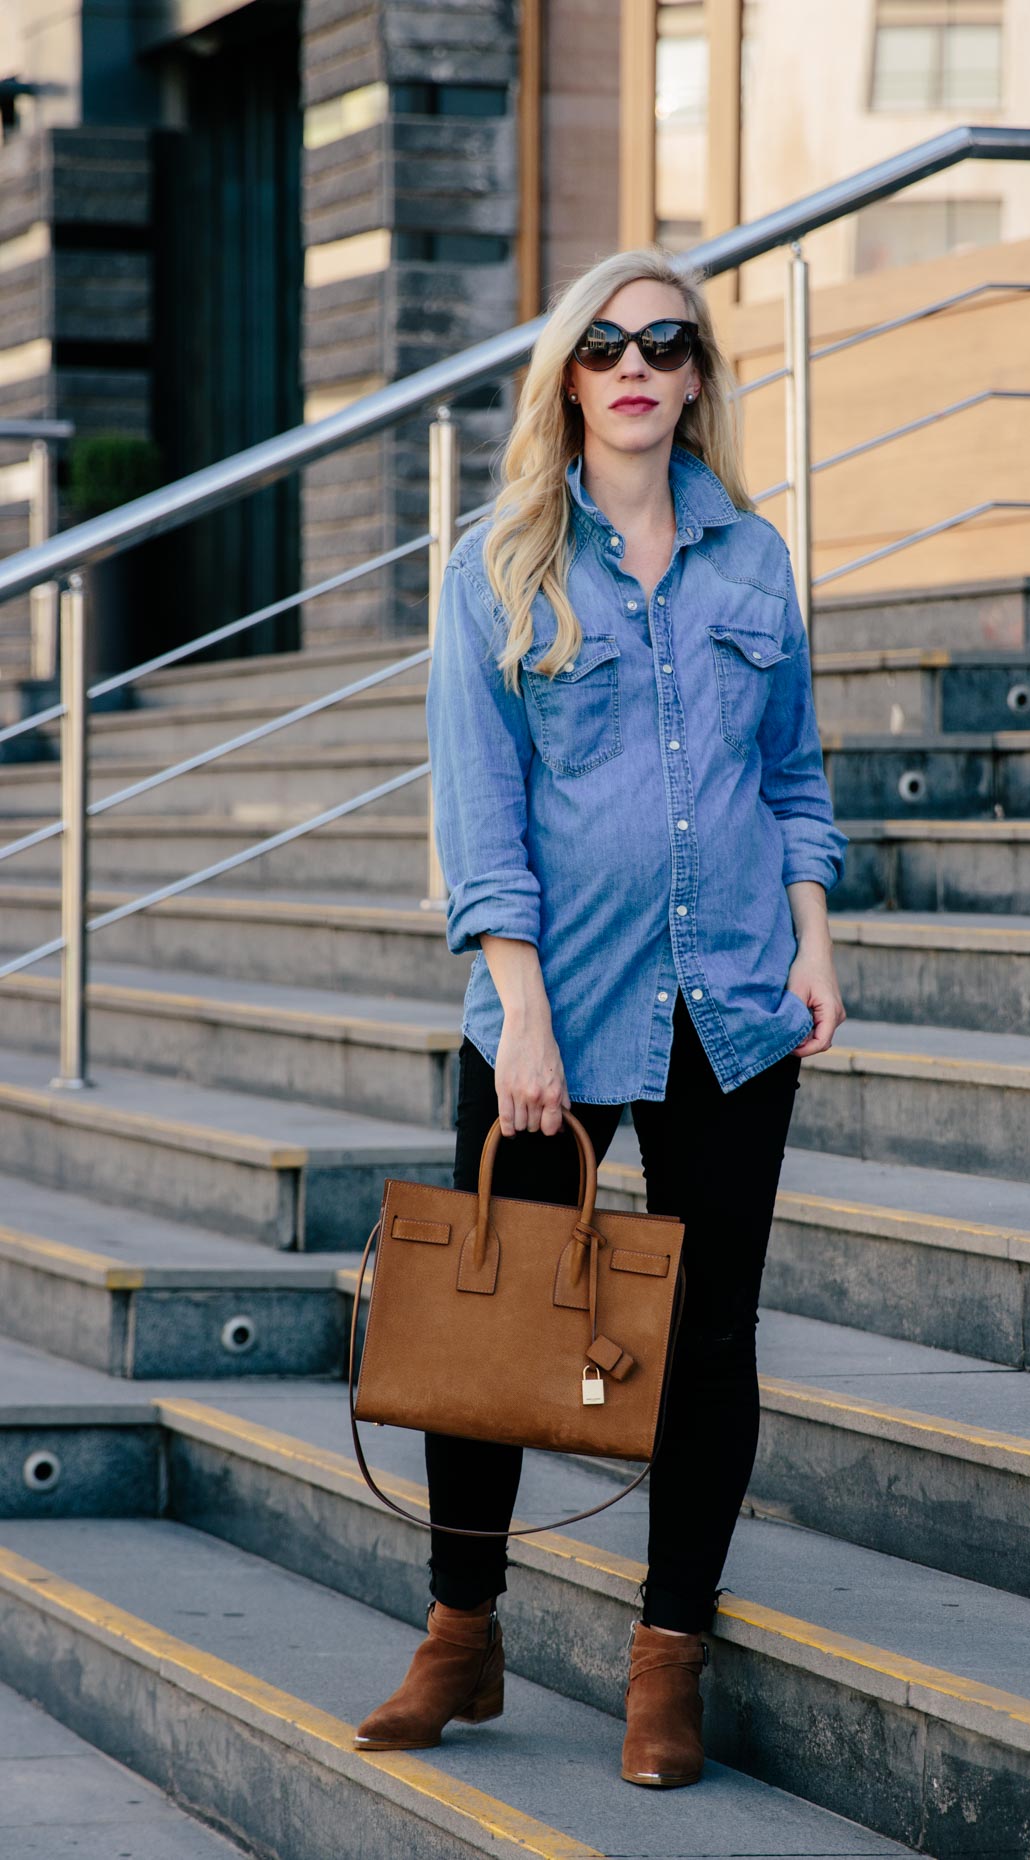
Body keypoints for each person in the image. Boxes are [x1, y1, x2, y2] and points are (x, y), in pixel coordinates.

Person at [353, 245, 849, 1787]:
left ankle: (666, 1659)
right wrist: (522, 1010)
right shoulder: (496, 566)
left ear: (699, 376)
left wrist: (817, 941)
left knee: (707, 1341)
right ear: (568, 377)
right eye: (606, 344)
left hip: (739, 1007)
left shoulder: (755, 564)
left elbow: (793, 778)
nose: (635, 364)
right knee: (491, 1322)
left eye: (666, 342)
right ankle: (463, 1633)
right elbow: (479, 811)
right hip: (550, 1010)